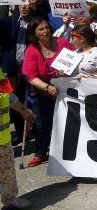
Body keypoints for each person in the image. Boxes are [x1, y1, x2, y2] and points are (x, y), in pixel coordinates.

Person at [21, 17, 73, 167]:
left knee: (65, 124)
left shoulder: (62, 43)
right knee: (42, 126)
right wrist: (47, 87)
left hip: (64, 91)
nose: (45, 32)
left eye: (47, 28)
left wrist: (67, 71)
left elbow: (74, 60)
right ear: (34, 33)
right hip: (42, 93)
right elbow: (31, 77)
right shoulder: (32, 50)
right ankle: (40, 152)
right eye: (41, 29)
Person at [0, 69, 35, 210]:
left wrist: (24, 111)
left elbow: (8, 96)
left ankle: (10, 199)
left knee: (7, 169)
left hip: (3, 137)